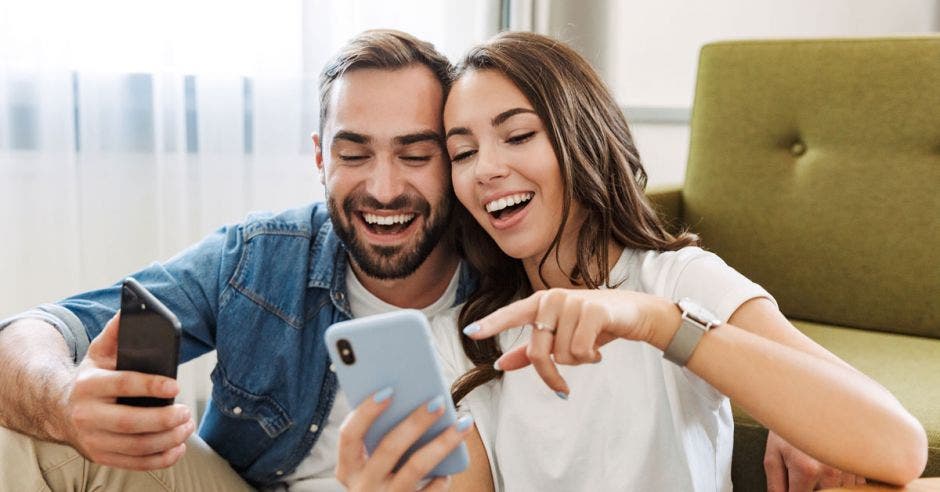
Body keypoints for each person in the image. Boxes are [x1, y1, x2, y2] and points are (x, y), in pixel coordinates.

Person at [0, 29, 490, 491]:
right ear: (321, 158)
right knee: (25, 425)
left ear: (453, 159)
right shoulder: (262, 257)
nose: (383, 190)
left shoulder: (504, 272)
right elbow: (31, 332)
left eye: (415, 156)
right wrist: (63, 404)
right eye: (354, 155)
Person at [438, 31, 927, 491]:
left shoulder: (678, 280)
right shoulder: (473, 334)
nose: (486, 169)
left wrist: (659, 322)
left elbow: (898, 445)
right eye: (463, 152)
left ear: (584, 137)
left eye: (519, 135)